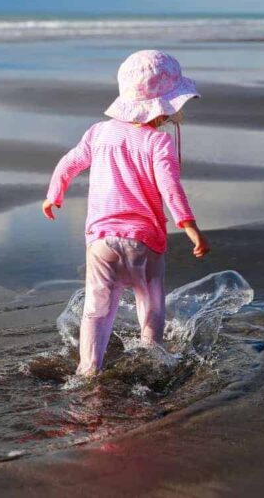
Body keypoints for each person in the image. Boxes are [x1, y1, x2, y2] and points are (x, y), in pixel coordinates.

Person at [42, 49, 211, 376]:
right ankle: (152, 361)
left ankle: (88, 370)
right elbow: (170, 187)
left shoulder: (98, 132)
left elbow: (70, 162)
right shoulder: (158, 144)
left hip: (101, 241)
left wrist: (54, 195)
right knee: (151, 303)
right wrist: (190, 227)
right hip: (144, 243)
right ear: (164, 107)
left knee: (96, 310)